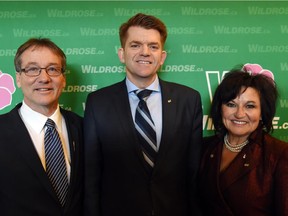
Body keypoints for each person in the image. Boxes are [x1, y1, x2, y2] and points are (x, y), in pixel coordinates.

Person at [84, 13, 203, 216]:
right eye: (135, 45)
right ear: (122, 53)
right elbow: (91, 174)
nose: (145, 52)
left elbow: (193, 171)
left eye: (153, 46)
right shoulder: (98, 102)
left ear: (162, 56)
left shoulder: (188, 100)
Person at [0, 38, 83, 215]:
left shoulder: (84, 128)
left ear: (63, 79)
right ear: (19, 79)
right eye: (32, 69)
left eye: (53, 69)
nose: (44, 78)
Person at [198, 63, 288, 215]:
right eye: (231, 104)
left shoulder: (279, 154)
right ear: (220, 108)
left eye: (250, 106)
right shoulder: (205, 148)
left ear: (262, 113)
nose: (239, 114)